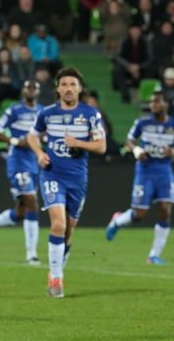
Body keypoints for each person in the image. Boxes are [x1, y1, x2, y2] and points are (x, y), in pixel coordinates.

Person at [26, 67, 106, 298]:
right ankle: (56, 278)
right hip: (52, 175)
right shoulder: (47, 114)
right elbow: (32, 135)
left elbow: (101, 146)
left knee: (68, 232)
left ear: (80, 89)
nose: (68, 88)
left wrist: (79, 143)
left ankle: (57, 269)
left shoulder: (91, 114)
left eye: (73, 84)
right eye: (64, 84)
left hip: (77, 178)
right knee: (58, 224)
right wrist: (39, 154)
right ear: (58, 89)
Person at [0, 80, 43, 265]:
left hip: (34, 161)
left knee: (20, 212)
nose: (30, 91)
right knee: (32, 202)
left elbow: (45, 133)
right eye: (27, 87)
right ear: (23, 91)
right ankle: (32, 254)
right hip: (18, 161)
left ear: (38, 92)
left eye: (34, 88)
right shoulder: (14, 110)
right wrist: (14, 141)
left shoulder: (43, 111)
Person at [105, 91, 173, 265]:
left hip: (164, 171)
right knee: (140, 214)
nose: (153, 105)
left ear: (166, 104)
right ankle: (117, 221)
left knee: (165, 210)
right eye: (151, 102)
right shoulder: (143, 122)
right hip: (145, 171)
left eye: (157, 102)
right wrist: (137, 151)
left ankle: (153, 255)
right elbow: (129, 141)